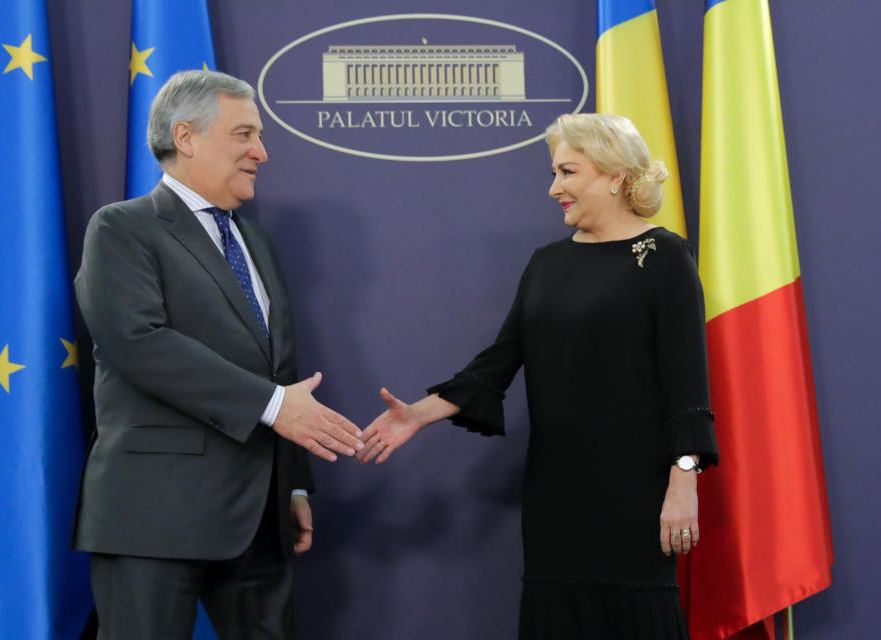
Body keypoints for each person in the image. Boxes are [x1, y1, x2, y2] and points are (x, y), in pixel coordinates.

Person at [357, 113, 719, 639]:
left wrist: (683, 481)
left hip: (635, 491)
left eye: (568, 172)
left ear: (615, 175)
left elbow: (688, 382)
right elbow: (499, 362)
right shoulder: (547, 263)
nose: (554, 189)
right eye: (553, 173)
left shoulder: (663, 257)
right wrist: (418, 414)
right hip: (555, 493)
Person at [72, 69, 365, 639]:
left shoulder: (256, 241)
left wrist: (293, 484)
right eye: (244, 134)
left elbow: (280, 371)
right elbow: (140, 342)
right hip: (153, 519)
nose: (262, 150)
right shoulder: (122, 228)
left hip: (259, 519)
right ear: (185, 137)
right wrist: (274, 406)